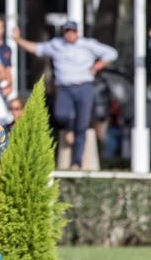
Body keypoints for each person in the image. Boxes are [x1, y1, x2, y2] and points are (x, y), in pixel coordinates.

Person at [14, 20, 118, 169]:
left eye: (72, 31)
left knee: (82, 126)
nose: (70, 34)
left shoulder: (88, 44)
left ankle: (76, 162)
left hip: (84, 87)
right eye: (67, 31)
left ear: (77, 32)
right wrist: (18, 40)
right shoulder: (56, 45)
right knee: (60, 115)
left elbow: (112, 53)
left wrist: (97, 66)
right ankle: (69, 128)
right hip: (64, 88)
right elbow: (37, 48)